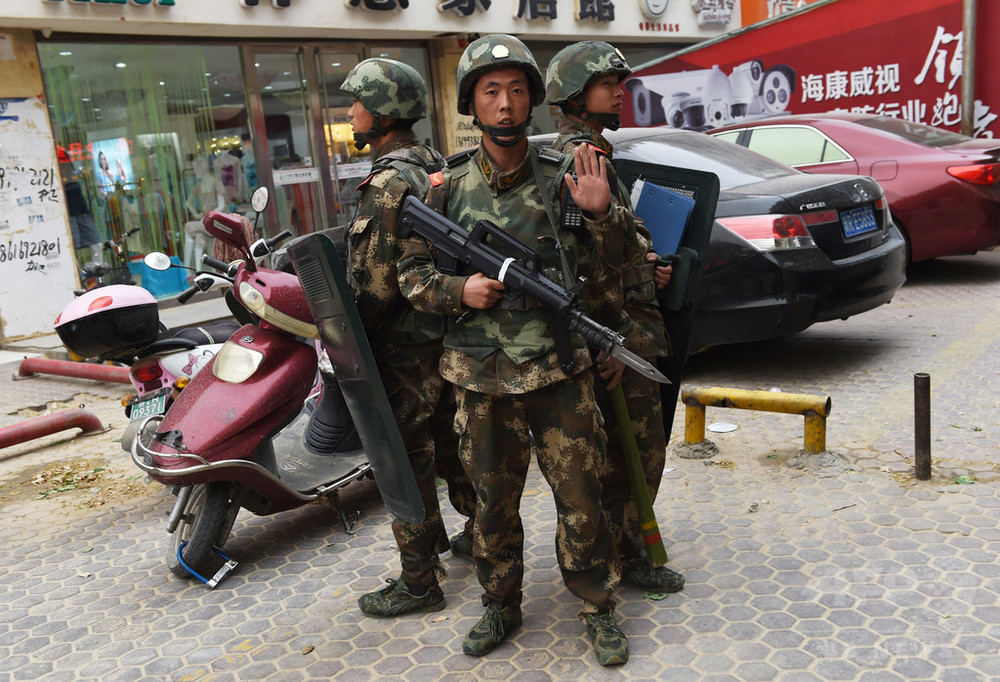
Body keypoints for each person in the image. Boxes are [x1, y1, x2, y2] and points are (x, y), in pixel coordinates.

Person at [398, 34, 632, 666]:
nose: (505, 105)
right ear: (472, 103)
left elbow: (613, 272)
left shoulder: (569, 175)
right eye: (491, 92)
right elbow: (410, 276)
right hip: (479, 376)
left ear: (533, 99)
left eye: (517, 90)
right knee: (491, 505)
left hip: (559, 368)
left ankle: (597, 605)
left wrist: (604, 216)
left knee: (582, 497)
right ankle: (500, 602)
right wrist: (457, 288)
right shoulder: (444, 186)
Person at [545, 41, 686, 593]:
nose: (620, 92)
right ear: (578, 95)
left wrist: (645, 261)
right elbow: (582, 264)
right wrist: (615, 342)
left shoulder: (593, 152)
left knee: (634, 454)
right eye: (609, 85)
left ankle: (625, 551)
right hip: (617, 335)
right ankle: (624, 557)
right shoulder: (580, 160)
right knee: (632, 455)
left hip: (627, 327)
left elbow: (620, 234)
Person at [341, 58, 477, 619]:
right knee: (456, 446)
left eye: (355, 103)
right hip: (451, 339)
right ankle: (481, 536)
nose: (349, 112)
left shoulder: (387, 182)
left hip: (403, 349)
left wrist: (351, 342)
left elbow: (375, 287)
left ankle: (420, 580)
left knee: (405, 460)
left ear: (381, 111)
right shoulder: (436, 167)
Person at [183, 157, 226, 269]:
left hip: (217, 221)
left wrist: (206, 215)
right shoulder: (199, 186)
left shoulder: (216, 183)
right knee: (198, 237)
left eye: (196, 169)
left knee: (188, 226)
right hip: (206, 222)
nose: (195, 172)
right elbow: (188, 202)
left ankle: (186, 268)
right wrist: (197, 214)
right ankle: (198, 270)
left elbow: (221, 205)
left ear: (202, 169)